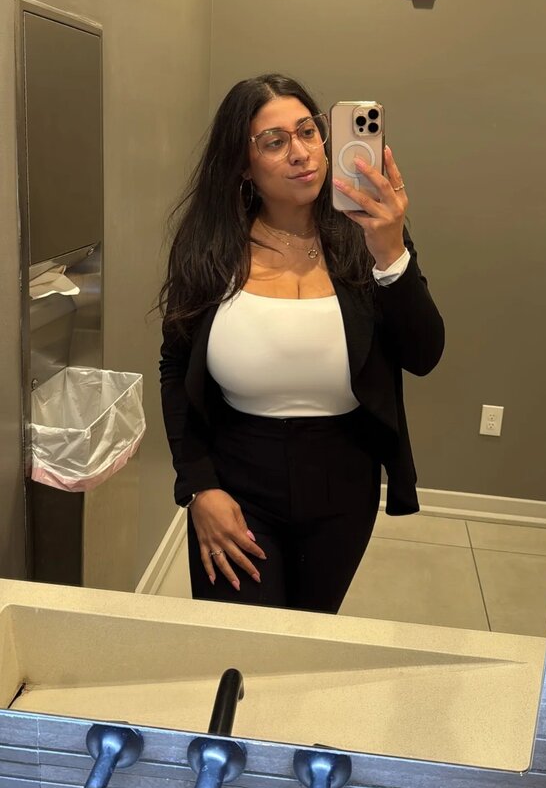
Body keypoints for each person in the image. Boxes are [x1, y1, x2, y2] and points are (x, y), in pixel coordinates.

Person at [159, 74, 444, 614]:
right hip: (236, 479)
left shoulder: (369, 238)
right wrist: (199, 487)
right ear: (243, 165)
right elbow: (175, 368)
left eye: (308, 131)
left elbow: (424, 355)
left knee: (308, 638)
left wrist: (391, 254)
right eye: (274, 141)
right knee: (241, 645)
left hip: (343, 482)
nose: (301, 153)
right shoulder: (209, 248)